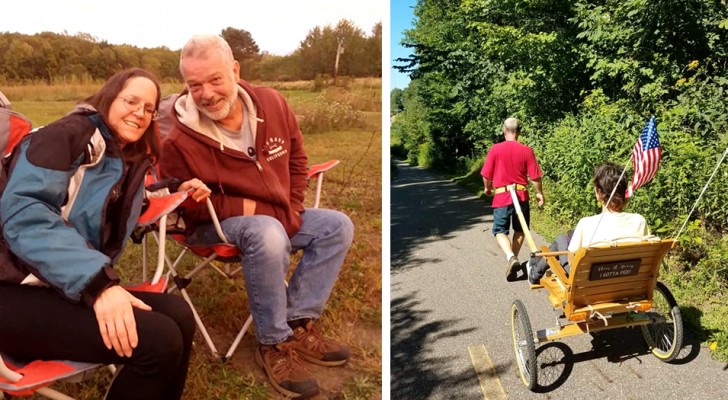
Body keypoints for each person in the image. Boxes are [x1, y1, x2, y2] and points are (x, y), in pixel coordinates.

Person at [159, 34, 354, 399]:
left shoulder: (272, 103)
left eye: (215, 79)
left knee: (336, 225)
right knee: (267, 232)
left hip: (281, 217)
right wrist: (257, 211)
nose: (207, 93)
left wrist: (293, 207)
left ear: (235, 69)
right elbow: (188, 208)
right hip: (212, 227)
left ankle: (297, 320)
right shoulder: (178, 142)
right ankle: (274, 343)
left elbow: (297, 159)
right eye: (194, 85)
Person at [0, 68, 211, 400]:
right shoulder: (66, 136)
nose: (139, 113)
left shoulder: (122, 156)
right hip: (12, 288)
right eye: (131, 101)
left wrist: (174, 188)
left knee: (178, 314)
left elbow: (121, 202)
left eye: (149, 108)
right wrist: (99, 285)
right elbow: (26, 215)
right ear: (109, 97)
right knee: (158, 341)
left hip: (55, 285)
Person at [528, 162, 649, 284]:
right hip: (628, 282)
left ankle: (534, 273)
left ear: (598, 192)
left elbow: (571, 260)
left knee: (561, 239)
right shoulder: (639, 221)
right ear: (624, 192)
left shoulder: (587, 224)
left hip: (589, 284)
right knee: (569, 237)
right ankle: (536, 266)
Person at [481, 117, 544, 281]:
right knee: (521, 229)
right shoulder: (526, 150)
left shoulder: (495, 149)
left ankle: (511, 258)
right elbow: (535, 177)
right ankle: (513, 258)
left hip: (502, 196)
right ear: (519, 132)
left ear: (504, 131)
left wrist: (487, 188)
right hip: (521, 195)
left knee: (500, 231)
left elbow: (486, 174)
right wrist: (539, 193)